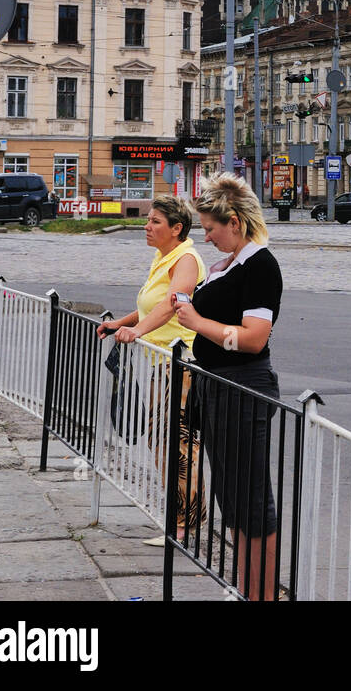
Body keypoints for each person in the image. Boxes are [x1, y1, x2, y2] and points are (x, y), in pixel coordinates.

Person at [173, 172, 283, 601]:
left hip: (243, 386)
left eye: (211, 229)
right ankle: (244, 587)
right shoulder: (229, 264)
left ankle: (262, 594)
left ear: (234, 222)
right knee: (233, 496)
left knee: (251, 499)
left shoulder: (260, 265)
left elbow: (254, 336)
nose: (208, 237)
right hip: (220, 384)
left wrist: (199, 323)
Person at [96, 196, 206, 543]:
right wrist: (121, 324)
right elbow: (150, 307)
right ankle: (181, 519)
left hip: (182, 362)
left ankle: (184, 526)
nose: (147, 226)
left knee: (177, 442)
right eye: (148, 220)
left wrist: (136, 331)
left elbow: (173, 303)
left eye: (156, 221)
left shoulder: (186, 259)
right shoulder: (165, 257)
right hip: (164, 363)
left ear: (177, 229)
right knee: (163, 439)